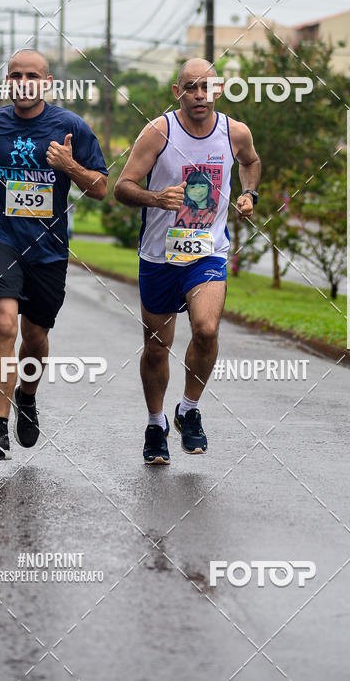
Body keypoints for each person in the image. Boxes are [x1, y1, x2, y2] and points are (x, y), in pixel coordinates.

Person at [0, 49, 108, 460]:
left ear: (47, 82)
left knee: (35, 337)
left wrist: (70, 165)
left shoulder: (70, 126)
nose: (23, 81)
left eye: (31, 75)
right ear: (8, 81)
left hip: (48, 248)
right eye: (15, 75)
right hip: (1, 238)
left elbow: (100, 188)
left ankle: (27, 395)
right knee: (4, 324)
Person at [114, 58, 261, 466]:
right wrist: (155, 198)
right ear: (177, 92)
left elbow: (251, 162)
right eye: (191, 87)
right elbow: (122, 188)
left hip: (207, 252)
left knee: (207, 329)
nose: (200, 94)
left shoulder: (235, 132)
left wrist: (250, 194)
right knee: (158, 348)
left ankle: (188, 408)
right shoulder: (159, 132)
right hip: (159, 256)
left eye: (207, 87)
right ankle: (156, 423)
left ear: (218, 90)